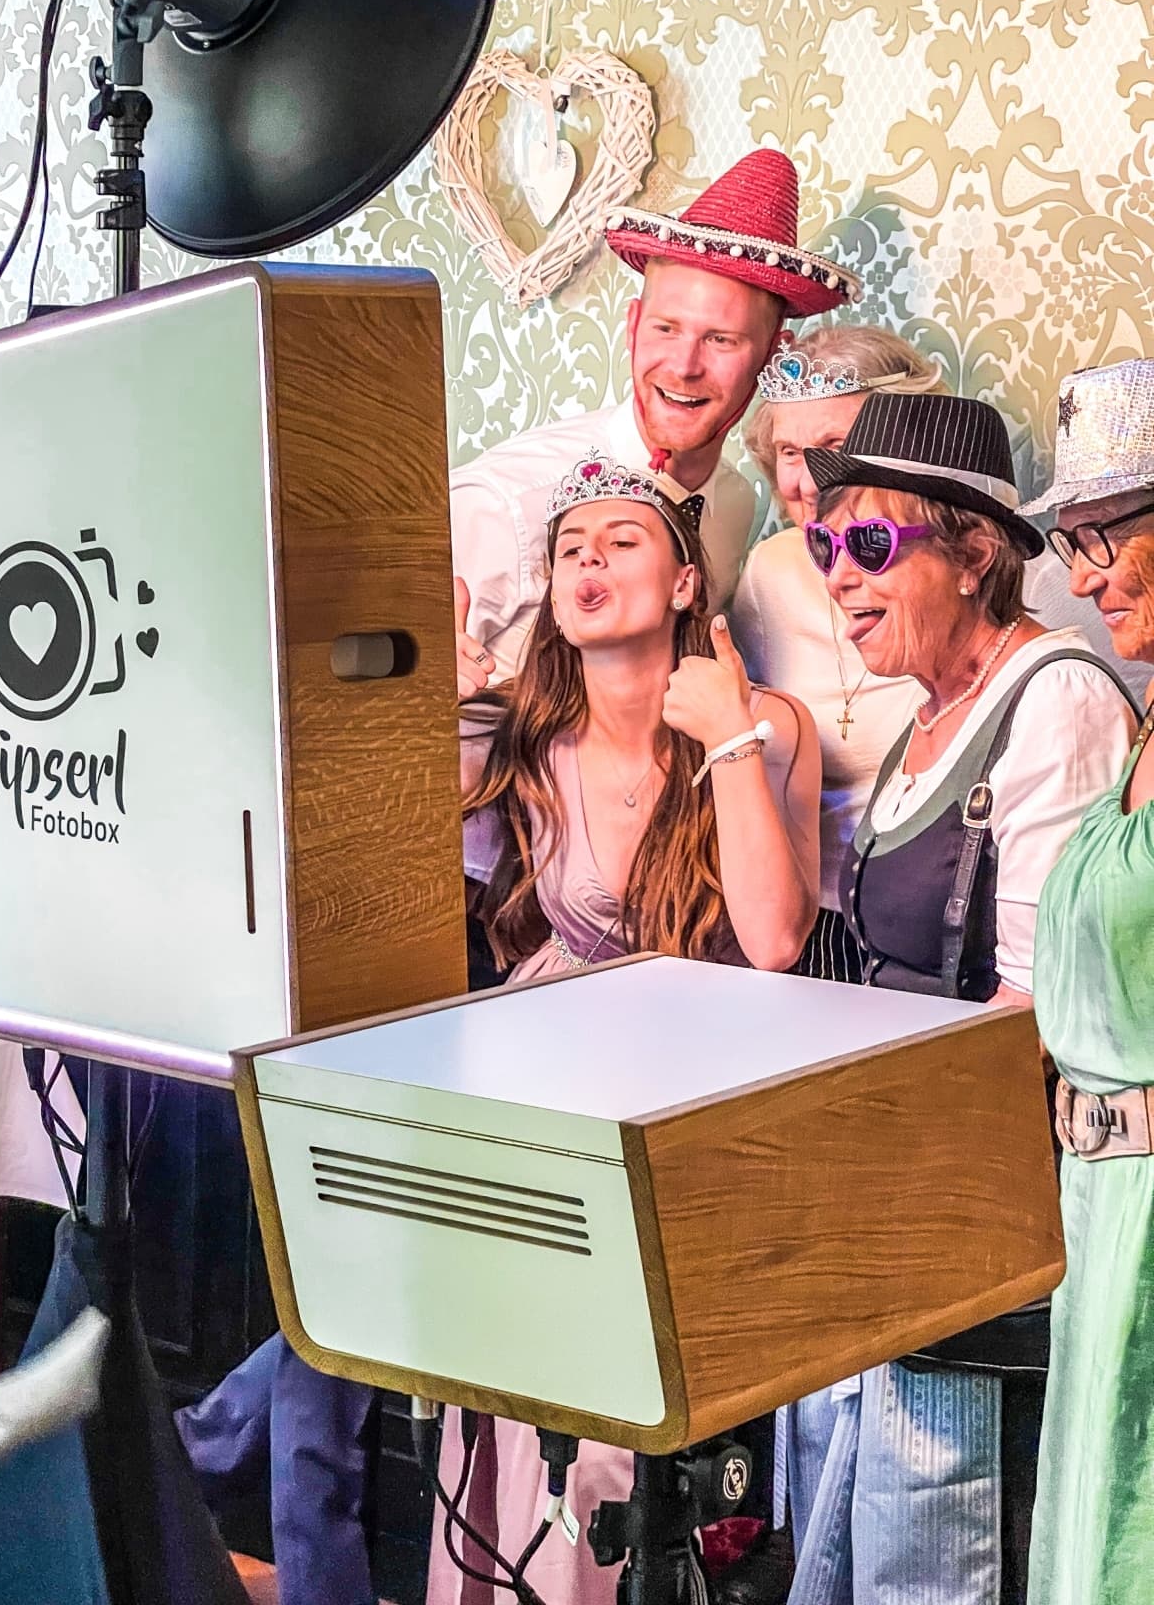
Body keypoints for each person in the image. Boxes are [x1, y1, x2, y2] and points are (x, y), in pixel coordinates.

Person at [429, 449, 821, 1605]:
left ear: (689, 584)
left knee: (616, 1425)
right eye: (569, 550)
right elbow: (398, 887)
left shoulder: (766, 725)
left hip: (688, 1100)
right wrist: (435, 714)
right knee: (502, 1393)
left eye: (623, 541)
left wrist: (730, 740)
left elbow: (775, 940)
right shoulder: (524, 748)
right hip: (540, 1081)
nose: (590, 560)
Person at [778, 390, 1137, 1605]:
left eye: (873, 545)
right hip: (888, 1219)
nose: (841, 574)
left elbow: (1040, 1008)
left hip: (978, 1229)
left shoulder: (1060, 700)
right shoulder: (924, 723)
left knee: (944, 1557)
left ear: (978, 551)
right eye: (829, 546)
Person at [452, 148, 863, 692]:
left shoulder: (736, 505)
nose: (684, 367)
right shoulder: (505, 502)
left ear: (771, 355)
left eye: (721, 339)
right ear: (633, 326)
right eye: (666, 329)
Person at [1020, 359, 1154, 1605]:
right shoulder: (1144, 723)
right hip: (1097, 1208)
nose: (1086, 570)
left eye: (1108, 532)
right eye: (1071, 539)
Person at [734, 328, 945, 979]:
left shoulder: (954, 569)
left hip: (937, 916)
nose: (804, 480)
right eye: (790, 451)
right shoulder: (769, 573)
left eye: (832, 447)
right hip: (815, 925)